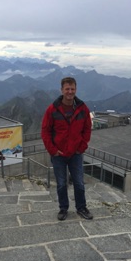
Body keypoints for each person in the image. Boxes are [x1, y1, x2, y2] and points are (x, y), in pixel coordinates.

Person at [41, 77, 93, 221]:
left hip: (75, 153)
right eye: (67, 89)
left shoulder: (82, 108)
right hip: (59, 154)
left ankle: (81, 207)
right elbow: (45, 131)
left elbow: (87, 129)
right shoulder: (52, 109)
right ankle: (63, 209)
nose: (70, 92)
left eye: (72, 89)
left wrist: (81, 147)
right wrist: (53, 150)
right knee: (62, 184)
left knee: (79, 183)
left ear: (76, 90)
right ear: (62, 90)